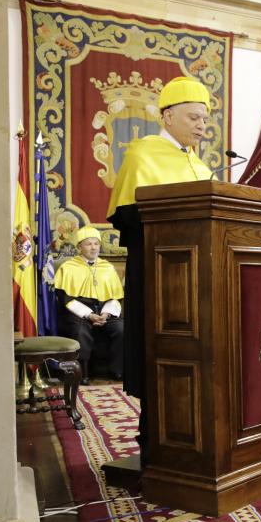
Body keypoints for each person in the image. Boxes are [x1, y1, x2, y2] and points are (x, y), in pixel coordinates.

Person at [107, 75, 213, 461]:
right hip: (158, 277)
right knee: (159, 354)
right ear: (167, 117)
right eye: (194, 118)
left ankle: (192, 436)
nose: (202, 126)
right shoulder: (143, 153)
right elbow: (126, 217)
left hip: (196, 282)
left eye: (205, 120)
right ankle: (153, 440)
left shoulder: (200, 166)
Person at [53, 226, 124, 384]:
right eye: (88, 244)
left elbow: (116, 296)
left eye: (96, 244)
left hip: (105, 310)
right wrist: (89, 315)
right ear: (79, 247)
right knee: (81, 331)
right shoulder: (69, 267)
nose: (93, 247)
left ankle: (117, 370)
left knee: (121, 329)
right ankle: (82, 374)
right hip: (78, 312)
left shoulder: (107, 267)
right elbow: (66, 298)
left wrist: (106, 313)